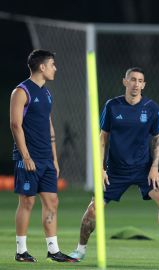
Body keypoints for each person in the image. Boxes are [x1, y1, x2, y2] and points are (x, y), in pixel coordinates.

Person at [68, 67, 159, 262]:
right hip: (115, 171)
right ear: (125, 82)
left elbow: (157, 140)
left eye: (140, 80)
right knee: (92, 212)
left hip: (144, 169)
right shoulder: (112, 106)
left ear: (144, 85)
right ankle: (80, 250)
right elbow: (102, 140)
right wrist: (100, 169)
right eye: (132, 79)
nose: (136, 84)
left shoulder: (152, 108)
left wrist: (155, 167)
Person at [10, 49, 78, 263]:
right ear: (42, 67)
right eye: (52, 64)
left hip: (46, 159)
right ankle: (21, 251)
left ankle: (53, 250)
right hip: (28, 158)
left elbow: (48, 125)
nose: (55, 68)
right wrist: (26, 156)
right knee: (27, 202)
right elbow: (15, 125)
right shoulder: (21, 92)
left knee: (52, 201)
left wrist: (55, 158)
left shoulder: (47, 92)